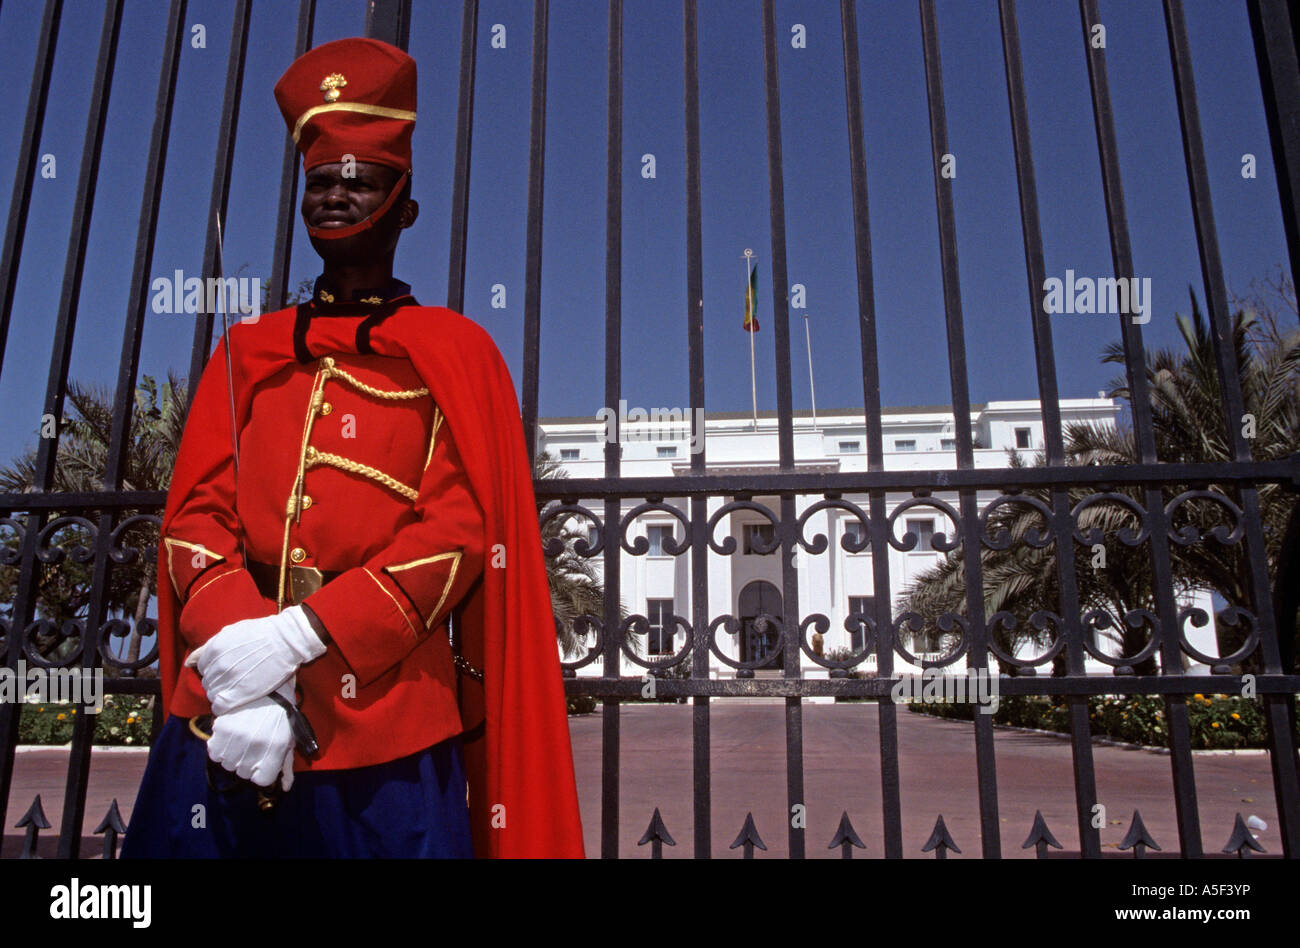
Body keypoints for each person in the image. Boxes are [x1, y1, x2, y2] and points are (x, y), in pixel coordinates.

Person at [122, 36, 585, 858]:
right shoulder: (247, 354)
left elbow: (457, 532)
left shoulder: (455, 352)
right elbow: (196, 519)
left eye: (359, 180)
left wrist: (298, 639)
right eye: (319, 181)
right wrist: (247, 672)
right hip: (226, 717)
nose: (335, 196)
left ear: (405, 206)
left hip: (385, 739)